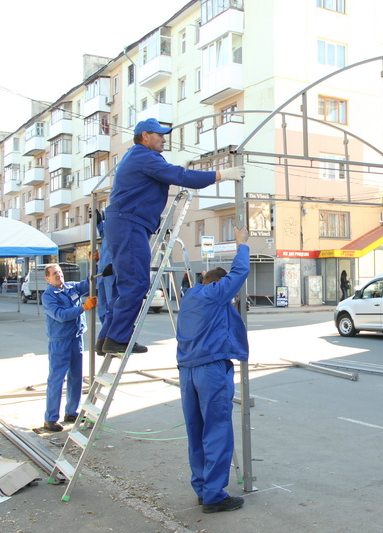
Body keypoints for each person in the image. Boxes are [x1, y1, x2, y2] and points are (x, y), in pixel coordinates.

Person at [103, 118, 244, 354]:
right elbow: (181, 177)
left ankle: (107, 337)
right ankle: (116, 338)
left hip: (127, 223)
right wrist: (222, 174)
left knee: (126, 283)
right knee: (136, 284)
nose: (164, 138)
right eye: (159, 134)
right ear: (145, 136)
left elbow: (172, 173)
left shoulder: (138, 157)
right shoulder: (143, 156)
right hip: (129, 224)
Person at [176, 226, 250, 514]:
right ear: (217, 284)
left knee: (196, 432)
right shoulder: (215, 294)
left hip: (187, 372)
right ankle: (215, 496)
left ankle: (203, 488)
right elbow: (239, 272)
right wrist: (241, 243)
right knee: (217, 431)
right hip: (210, 370)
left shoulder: (190, 298)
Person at [42, 263, 97, 431]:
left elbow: (89, 282)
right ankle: (50, 419)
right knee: (56, 379)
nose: (59, 275)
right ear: (48, 278)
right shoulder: (49, 296)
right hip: (60, 341)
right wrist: (83, 307)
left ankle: (71, 412)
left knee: (76, 377)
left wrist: (93, 264)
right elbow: (60, 315)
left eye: (59, 272)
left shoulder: (71, 287)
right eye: (55, 274)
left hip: (75, 338)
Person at [94, 211, 115, 356]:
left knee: (112, 307)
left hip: (113, 270)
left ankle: (105, 339)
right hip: (103, 270)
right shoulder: (109, 225)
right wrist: (98, 223)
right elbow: (104, 232)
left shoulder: (123, 223)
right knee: (104, 307)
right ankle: (105, 338)